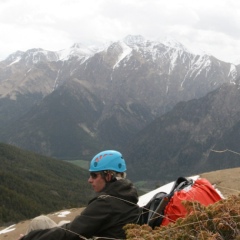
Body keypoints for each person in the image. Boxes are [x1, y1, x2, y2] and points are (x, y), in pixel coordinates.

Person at [17, 150, 140, 240]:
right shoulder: (127, 195)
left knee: (39, 222)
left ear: (108, 176)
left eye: (94, 175)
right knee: (50, 223)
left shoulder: (106, 203)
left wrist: (27, 238)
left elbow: (69, 233)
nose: (89, 180)